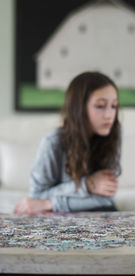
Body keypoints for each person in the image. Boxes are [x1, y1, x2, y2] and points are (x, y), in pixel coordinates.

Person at [14, 71, 121, 214]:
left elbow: (106, 199)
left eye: (114, 106)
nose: (109, 115)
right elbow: (37, 197)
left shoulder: (113, 135)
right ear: (79, 108)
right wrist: (87, 185)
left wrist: (51, 203)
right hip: (59, 217)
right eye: (100, 106)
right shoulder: (52, 142)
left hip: (99, 212)